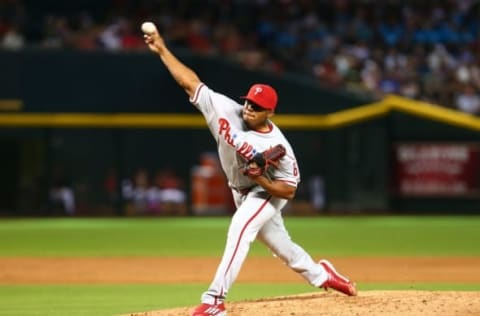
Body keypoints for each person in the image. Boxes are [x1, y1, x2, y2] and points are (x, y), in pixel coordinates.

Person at [143, 24, 357, 316]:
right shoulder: (225, 110)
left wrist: (262, 181)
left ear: (270, 112)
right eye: (248, 101)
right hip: (239, 189)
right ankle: (323, 274)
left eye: (257, 106)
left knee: (241, 229)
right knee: (281, 246)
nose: (248, 108)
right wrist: (162, 50)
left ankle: (214, 300)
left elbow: (289, 190)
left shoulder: (279, 145)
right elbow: (190, 83)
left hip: (266, 190)